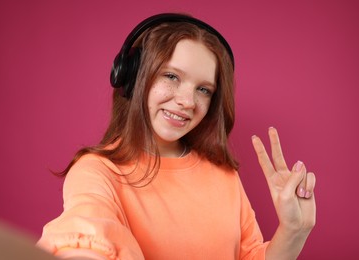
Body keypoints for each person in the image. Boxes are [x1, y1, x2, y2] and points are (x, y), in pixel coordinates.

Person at [37, 13, 316, 260]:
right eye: (171, 76)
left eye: (203, 90)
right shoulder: (97, 170)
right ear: (132, 77)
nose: (188, 101)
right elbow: (89, 237)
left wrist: (293, 232)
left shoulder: (224, 174)